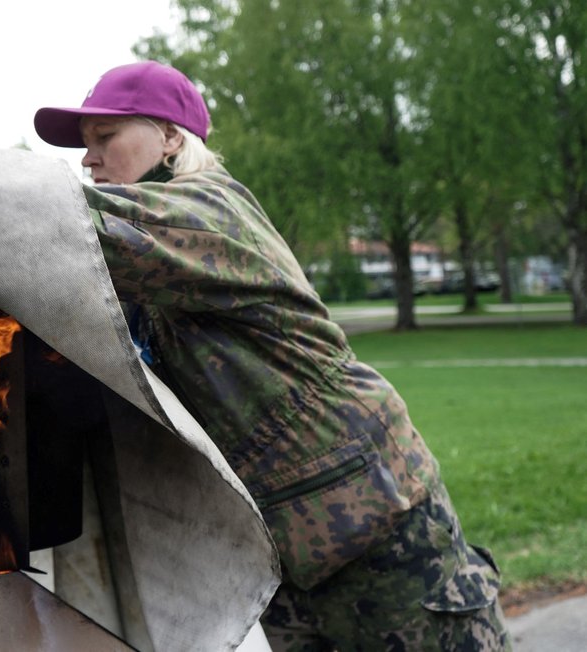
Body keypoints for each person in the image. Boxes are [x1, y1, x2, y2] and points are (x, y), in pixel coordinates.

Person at [34, 61, 510, 650]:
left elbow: (72, 228)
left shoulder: (207, 207)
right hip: (281, 556)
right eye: (85, 145)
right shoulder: (145, 271)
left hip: (377, 527)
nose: (88, 158)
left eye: (105, 138)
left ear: (171, 137)